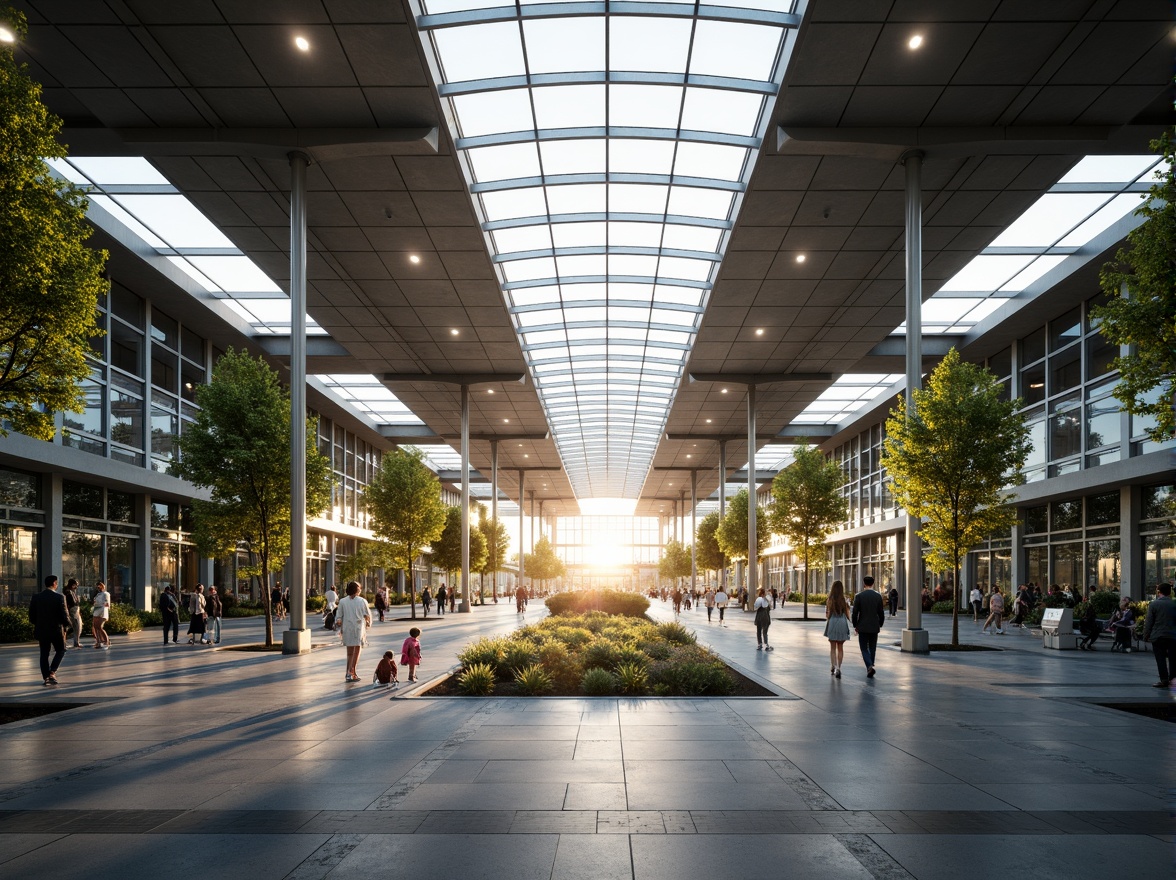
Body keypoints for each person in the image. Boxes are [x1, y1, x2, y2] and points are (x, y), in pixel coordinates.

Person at [29, 574, 69, 686]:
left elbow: (31, 616)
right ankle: (52, 672)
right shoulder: (60, 597)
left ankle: (46, 677)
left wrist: (39, 624)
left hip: (42, 630)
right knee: (61, 650)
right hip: (56, 630)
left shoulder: (36, 597)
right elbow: (64, 616)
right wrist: (67, 625)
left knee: (44, 653)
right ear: (54, 583)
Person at [335, 580, 371, 683]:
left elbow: (339, 616)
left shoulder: (342, 601)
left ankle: (348, 672)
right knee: (357, 651)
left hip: (347, 628)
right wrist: (368, 622)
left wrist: (339, 622)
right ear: (357, 589)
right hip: (358, 628)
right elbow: (367, 615)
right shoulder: (362, 601)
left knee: (349, 652)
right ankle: (352, 672)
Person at [850, 575, 885, 678]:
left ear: (864, 584)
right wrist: (880, 623)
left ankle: (869, 666)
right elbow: (881, 612)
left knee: (864, 648)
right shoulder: (878, 596)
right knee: (873, 647)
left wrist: (855, 624)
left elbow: (855, 612)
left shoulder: (859, 596)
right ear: (873, 584)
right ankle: (871, 664)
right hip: (874, 625)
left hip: (863, 626)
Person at [1142, 582, 1176, 688]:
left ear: (1158, 592)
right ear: (1170, 592)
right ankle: (1173, 679)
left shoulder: (1154, 604)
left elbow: (1149, 622)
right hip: (1173, 636)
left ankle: (1164, 680)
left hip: (1158, 636)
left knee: (1160, 659)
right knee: (1173, 659)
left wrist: (1146, 635)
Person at [824, 580, 851, 678]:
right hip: (842, 623)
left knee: (832, 647)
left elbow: (827, 614)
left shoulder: (829, 600)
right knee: (840, 647)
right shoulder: (844, 600)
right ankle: (839, 668)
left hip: (832, 622)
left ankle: (833, 666)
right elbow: (848, 613)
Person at [91, 580, 111, 649]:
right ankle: (99, 642)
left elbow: (106, 604)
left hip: (102, 612)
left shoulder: (106, 594)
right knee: (95, 627)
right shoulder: (98, 594)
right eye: (97, 587)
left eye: (100, 586)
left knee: (99, 627)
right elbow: (95, 602)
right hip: (96, 611)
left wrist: (102, 611)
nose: (98, 588)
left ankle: (106, 641)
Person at [63, 578, 83, 649]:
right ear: (72, 585)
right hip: (72, 611)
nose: (76, 587)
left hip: (75, 610)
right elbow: (69, 603)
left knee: (78, 626)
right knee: (76, 626)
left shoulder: (71, 591)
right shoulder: (68, 592)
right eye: (75, 585)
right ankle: (75, 642)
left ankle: (75, 642)